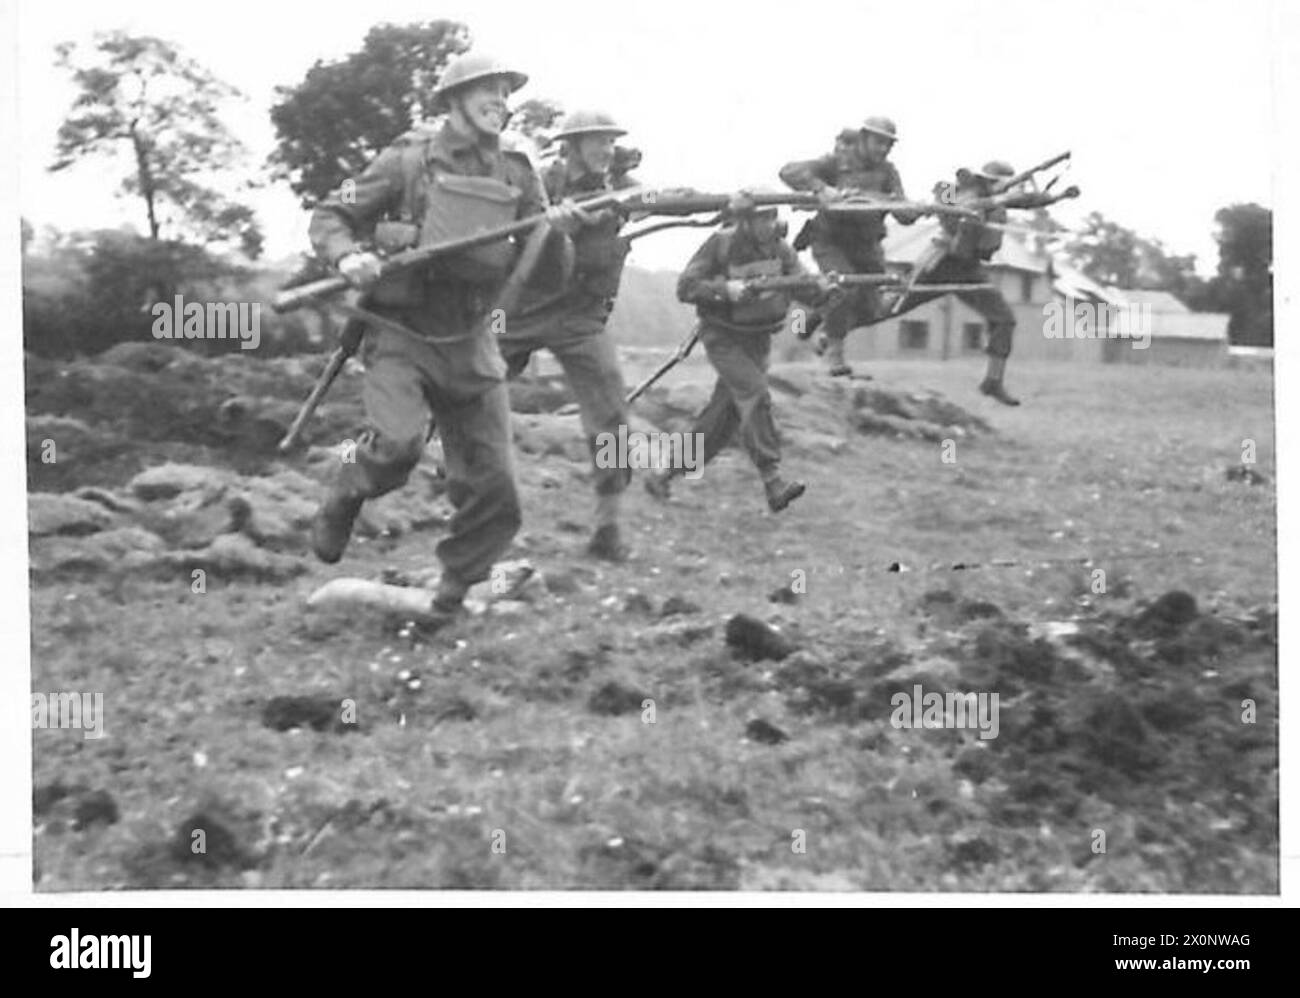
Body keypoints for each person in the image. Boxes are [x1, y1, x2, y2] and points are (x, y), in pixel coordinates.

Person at [305, 51, 584, 624]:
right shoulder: (406, 162)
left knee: (498, 488)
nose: (501, 105)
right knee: (398, 446)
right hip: (400, 333)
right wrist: (349, 254)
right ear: (454, 101)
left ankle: (450, 596)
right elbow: (332, 214)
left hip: (470, 338)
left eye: (506, 95)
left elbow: (553, 275)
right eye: (489, 92)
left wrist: (556, 235)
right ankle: (346, 490)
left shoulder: (517, 172)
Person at [497, 109, 639, 561]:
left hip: (582, 316)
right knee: (466, 389)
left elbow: (657, 199)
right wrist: (549, 222)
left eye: (611, 142)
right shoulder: (539, 181)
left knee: (612, 414)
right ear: (572, 146)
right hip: (525, 308)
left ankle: (608, 527)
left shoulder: (621, 188)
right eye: (597, 141)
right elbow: (506, 232)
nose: (606, 149)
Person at [645, 195, 826, 512]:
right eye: (762, 219)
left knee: (721, 421)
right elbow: (686, 286)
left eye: (773, 217)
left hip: (757, 341)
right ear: (745, 221)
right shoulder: (720, 244)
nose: (770, 225)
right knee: (755, 393)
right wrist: (724, 290)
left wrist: (824, 289)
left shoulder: (781, 250)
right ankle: (773, 481)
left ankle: (663, 474)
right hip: (723, 337)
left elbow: (802, 285)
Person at [875, 160, 1071, 406]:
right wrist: (976, 208)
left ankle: (993, 381)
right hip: (941, 264)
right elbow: (944, 207)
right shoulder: (952, 190)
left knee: (1003, 319)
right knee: (892, 307)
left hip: (969, 269)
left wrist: (1058, 196)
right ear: (986, 181)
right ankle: (832, 332)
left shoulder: (1000, 200)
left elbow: (1027, 200)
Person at [780, 116, 918, 376]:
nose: (883, 149)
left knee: (872, 308)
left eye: (888, 145)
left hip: (867, 246)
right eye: (879, 142)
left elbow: (902, 210)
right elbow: (789, 171)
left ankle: (820, 320)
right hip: (831, 241)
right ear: (864, 138)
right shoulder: (835, 163)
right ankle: (835, 356)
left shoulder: (888, 172)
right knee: (843, 288)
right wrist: (821, 188)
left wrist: (912, 210)